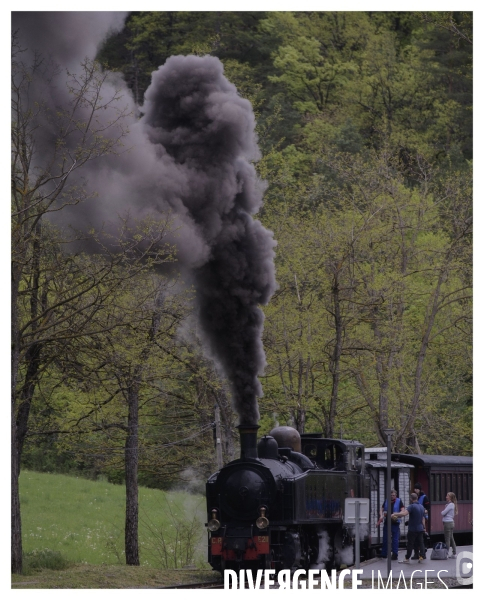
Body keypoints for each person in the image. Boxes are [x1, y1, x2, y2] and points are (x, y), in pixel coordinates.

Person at [393, 492, 426, 563]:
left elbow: (404, 514)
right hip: (420, 528)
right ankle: (421, 556)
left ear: (411, 499)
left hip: (413, 529)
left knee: (410, 544)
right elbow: (423, 518)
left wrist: (394, 514)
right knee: (421, 543)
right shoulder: (421, 507)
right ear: (417, 498)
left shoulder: (412, 506)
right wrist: (424, 527)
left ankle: (407, 558)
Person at [376, 489, 402, 560]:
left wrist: (397, 515)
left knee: (395, 539)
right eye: (391, 495)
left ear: (396, 495)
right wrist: (381, 515)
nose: (392, 496)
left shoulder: (399, 501)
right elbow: (381, 509)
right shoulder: (386, 501)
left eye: (393, 495)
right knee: (385, 538)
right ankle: (384, 553)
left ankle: (395, 554)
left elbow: (403, 510)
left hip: (395, 522)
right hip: (387, 522)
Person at [412, 483, 430, 558]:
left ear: (419, 489)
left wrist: (422, 512)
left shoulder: (424, 497)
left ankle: (423, 553)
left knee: (421, 537)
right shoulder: (414, 497)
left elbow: (428, 508)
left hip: (423, 518)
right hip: (416, 519)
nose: (415, 490)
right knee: (415, 537)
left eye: (416, 489)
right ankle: (416, 553)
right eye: (415, 489)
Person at [442, 492, 458, 558]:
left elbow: (443, 513)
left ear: (450, 497)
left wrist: (443, 511)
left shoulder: (450, 505)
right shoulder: (451, 504)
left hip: (447, 523)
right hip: (451, 522)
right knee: (451, 538)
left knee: (447, 539)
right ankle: (454, 553)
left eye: (447, 496)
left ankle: (446, 554)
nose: (446, 497)